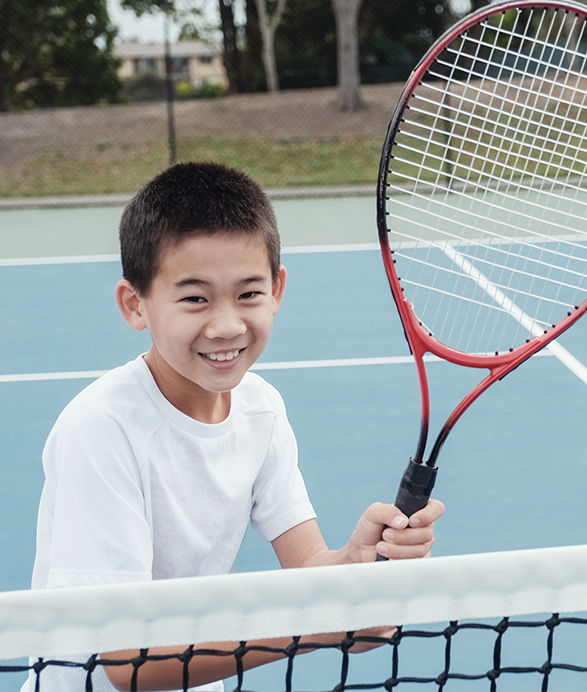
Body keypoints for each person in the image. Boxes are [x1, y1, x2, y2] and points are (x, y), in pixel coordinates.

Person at [22, 162, 444, 692]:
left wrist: (357, 570)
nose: (226, 325)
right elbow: (125, 659)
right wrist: (315, 625)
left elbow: (312, 565)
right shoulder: (100, 430)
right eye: (195, 297)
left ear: (278, 289)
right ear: (136, 304)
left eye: (248, 294)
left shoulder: (261, 410)